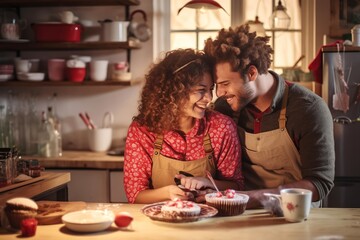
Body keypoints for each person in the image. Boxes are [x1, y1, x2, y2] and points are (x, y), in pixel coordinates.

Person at [203, 24, 335, 209]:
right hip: (239, 210)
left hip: (295, 215)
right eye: (217, 85)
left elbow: (319, 183)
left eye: (225, 83)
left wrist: (250, 198)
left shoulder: (308, 109)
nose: (219, 92)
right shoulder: (225, 107)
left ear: (252, 73)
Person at [123, 48, 243, 204]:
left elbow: (237, 185)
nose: (208, 98)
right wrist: (168, 192)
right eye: (201, 90)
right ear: (175, 91)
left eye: (210, 89)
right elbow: (136, 195)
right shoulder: (142, 130)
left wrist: (208, 184)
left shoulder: (221, 127)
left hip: (211, 221)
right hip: (157, 222)